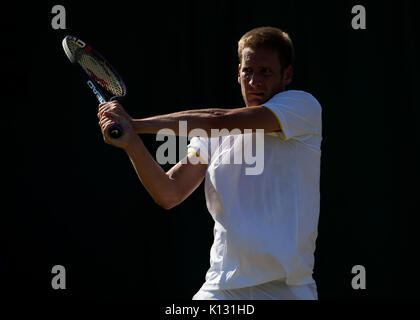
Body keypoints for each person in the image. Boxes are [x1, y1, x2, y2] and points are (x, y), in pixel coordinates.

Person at [97, 26, 322, 300]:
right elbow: (169, 193)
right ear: (238, 72)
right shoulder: (212, 138)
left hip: (286, 290)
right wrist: (131, 142)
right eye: (248, 71)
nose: (254, 81)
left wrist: (135, 124)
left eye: (266, 72)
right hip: (221, 287)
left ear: (286, 75)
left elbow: (219, 120)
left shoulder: (302, 107)